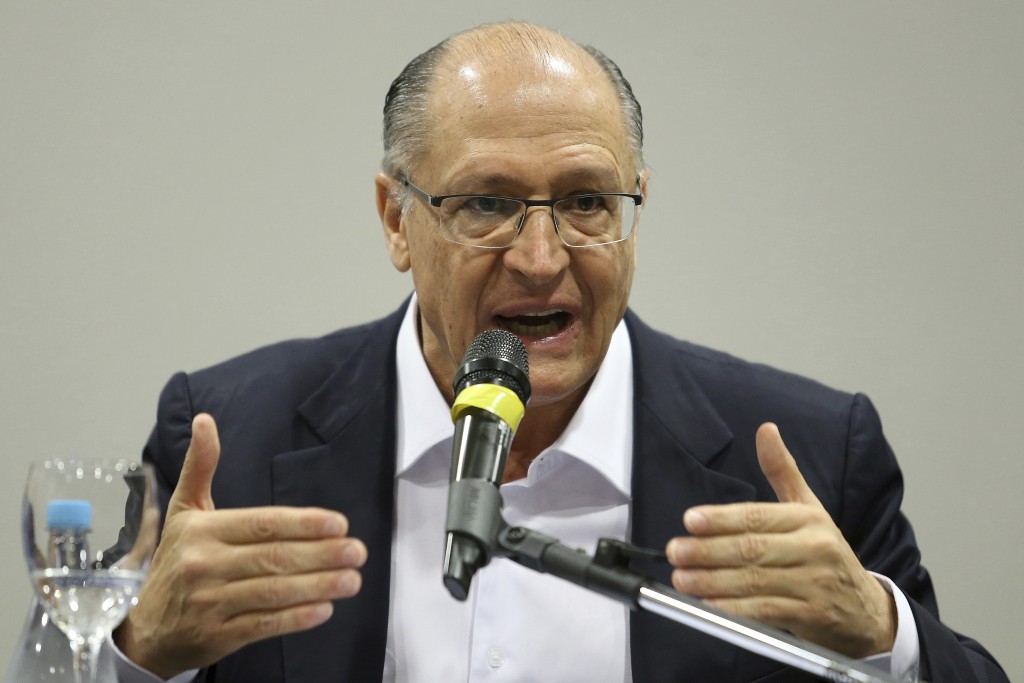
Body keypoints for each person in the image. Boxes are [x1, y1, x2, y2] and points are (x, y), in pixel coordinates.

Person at [111, 22, 1007, 683]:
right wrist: (139, 655)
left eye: (586, 202)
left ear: (636, 204)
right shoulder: (229, 442)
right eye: (486, 204)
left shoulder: (813, 452)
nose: (541, 260)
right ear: (396, 218)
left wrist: (881, 634)